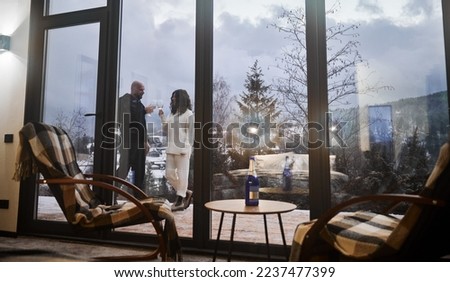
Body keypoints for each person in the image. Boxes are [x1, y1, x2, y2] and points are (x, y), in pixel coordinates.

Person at [116, 81, 155, 196]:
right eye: (140, 89)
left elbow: (141, 125)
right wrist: (144, 111)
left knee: (139, 173)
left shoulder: (139, 104)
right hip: (128, 143)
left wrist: (145, 141)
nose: (143, 92)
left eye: (143, 90)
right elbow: (128, 118)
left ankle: (139, 199)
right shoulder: (124, 101)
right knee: (123, 170)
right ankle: (110, 192)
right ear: (133, 89)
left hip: (138, 143)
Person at [159, 89, 194, 211]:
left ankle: (179, 201)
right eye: (172, 97)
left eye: (175, 97)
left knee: (182, 175)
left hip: (182, 150)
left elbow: (191, 135)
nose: (173, 99)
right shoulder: (172, 114)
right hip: (171, 149)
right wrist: (162, 116)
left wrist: (186, 149)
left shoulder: (189, 114)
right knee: (169, 175)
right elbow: (165, 129)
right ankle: (186, 192)